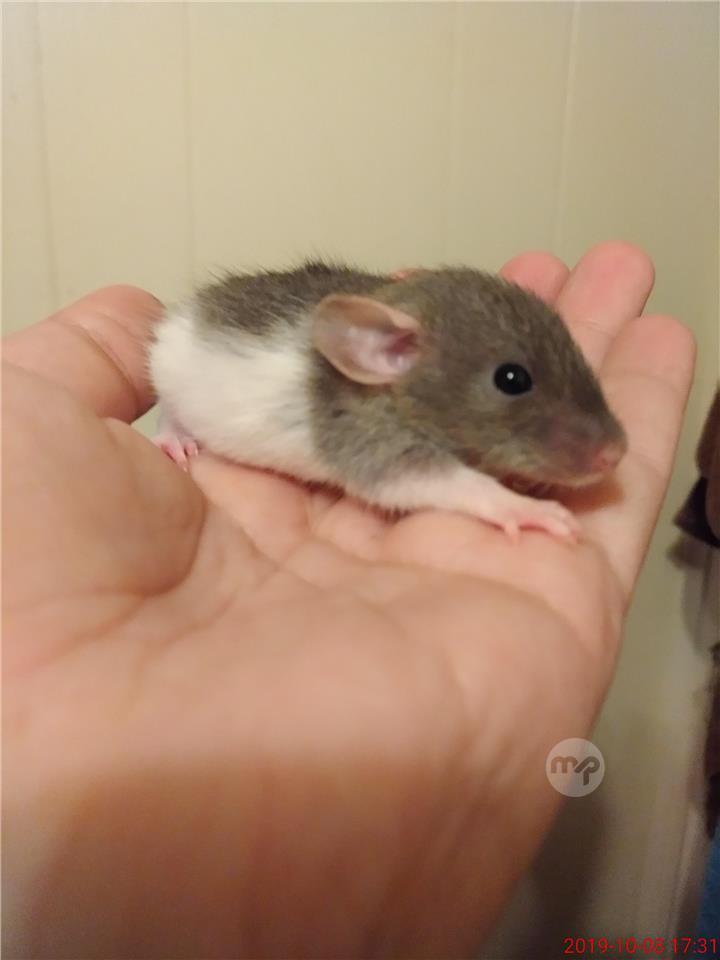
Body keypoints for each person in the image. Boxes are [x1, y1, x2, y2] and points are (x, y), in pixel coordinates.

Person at [3, 242, 695, 958]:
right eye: (514, 381)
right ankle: (179, 416)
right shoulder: (366, 399)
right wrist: (495, 502)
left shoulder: (411, 359)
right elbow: (380, 470)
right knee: (176, 350)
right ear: (386, 355)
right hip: (209, 353)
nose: (606, 446)